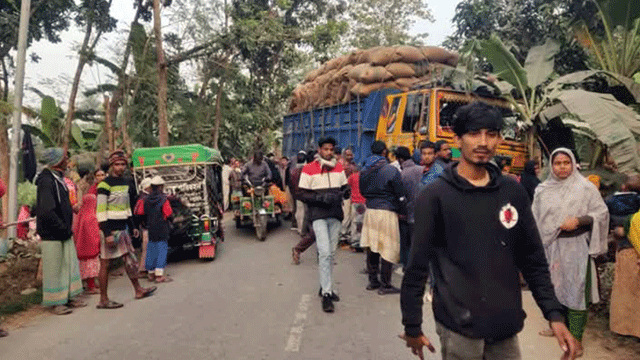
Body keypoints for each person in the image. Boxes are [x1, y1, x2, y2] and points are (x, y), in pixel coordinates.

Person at [401, 102, 578, 360]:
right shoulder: (435, 196)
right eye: (474, 133)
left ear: (499, 140)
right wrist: (412, 326)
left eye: (491, 134)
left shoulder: (511, 190)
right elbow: (416, 266)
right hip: (458, 325)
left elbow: (533, 258)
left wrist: (554, 315)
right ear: (457, 140)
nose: (483, 142)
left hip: (505, 324)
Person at [532, 148, 609, 357]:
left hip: (576, 248)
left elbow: (601, 213)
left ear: (573, 164)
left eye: (566, 162)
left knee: (576, 295)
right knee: (553, 290)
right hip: (551, 247)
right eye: (558, 163)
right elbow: (536, 220)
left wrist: (579, 220)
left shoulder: (585, 188)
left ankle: (576, 339)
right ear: (552, 166)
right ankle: (557, 327)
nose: (562, 167)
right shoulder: (543, 190)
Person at [96, 150, 156, 309]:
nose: (120, 167)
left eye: (123, 164)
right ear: (111, 166)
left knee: (130, 260)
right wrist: (107, 233)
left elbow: (127, 207)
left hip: (123, 228)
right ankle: (103, 299)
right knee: (105, 264)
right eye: (117, 164)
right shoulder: (104, 185)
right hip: (110, 230)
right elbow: (100, 211)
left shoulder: (127, 182)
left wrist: (133, 226)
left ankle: (138, 289)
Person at [297, 138, 349, 313]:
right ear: (319, 150)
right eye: (325, 149)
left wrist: (345, 192)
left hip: (335, 215)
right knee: (325, 253)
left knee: (331, 253)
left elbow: (344, 187)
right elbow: (302, 194)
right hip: (318, 215)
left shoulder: (339, 167)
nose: (328, 152)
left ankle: (324, 286)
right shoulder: (309, 169)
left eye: (331, 150)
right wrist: (319, 198)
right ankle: (327, 294)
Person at [34, 148, 86, 315]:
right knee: (55, 267)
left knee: (67, 265)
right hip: (53, 232)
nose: (68, 161)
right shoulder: (46, 181)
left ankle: (68, 297)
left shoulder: (59, 179)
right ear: (57, 161)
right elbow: (47, 210)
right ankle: (56, 302)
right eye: (65, 158)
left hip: (63, 231)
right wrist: (61, 226)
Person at [360, 141, 406, 295]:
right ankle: (385, 285)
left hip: (371, 211)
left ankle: (373, 281)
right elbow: (400, 194)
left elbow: (362, 191)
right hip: (387, 212)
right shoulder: (391, 170)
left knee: (372, 247)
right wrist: (402, 210)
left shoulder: (364, 170)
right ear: (385, 152)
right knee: (388, 248)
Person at [607, 175, 640, 339]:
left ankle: (625, 327)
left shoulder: (610, 201)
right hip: (631, 250)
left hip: (626, 250)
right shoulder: (636, 205)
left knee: (625, 291)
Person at [135, 176, 173, 283]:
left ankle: (151, 274)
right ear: (161, 186)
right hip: (161, 228)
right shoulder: (163, 199)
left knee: (151, 250)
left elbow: (140, 213)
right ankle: (159, 275)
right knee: (161, 250)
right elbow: (168, 213)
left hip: (150, 227)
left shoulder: (145, 199)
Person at [396, 146, 423, 268]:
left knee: (406, 243)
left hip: (407, 215)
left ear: (400, 159)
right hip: (422, 213)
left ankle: (407, 266)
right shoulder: (422, 170)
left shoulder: (402, 174)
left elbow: (401, 197)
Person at [73, 193, 101, 295]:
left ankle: (86, 285)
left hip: (81, 248)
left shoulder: (80, 215)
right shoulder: (92, 216)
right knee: (91, 268)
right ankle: (91, 286)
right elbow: (94, 234)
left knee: (84, 267)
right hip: (91, 248)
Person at [339, 147, 359, 245]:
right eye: (348, 155)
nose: (350, 156)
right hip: (346, 194)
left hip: (352, 193)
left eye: (351, 155)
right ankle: (343, 235)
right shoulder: (342, 166)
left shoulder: (352, 165)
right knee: (346, 215)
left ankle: (348, 235)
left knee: (351, 216)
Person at [134, 178, 152, 277]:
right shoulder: (143, 198)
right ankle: (144, 270)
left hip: (144, 225)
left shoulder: (143, 197)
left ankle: (144, 269)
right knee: (147, 248)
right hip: (146, 226)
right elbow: (139, 213)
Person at [347, 169, 366, 252]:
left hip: (355, 202)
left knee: (355, 223)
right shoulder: (366, 177)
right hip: (364, 202)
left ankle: (355, 243)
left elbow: (348, 186)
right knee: (362, 223)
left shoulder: (352, 176)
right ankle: (362, 242)